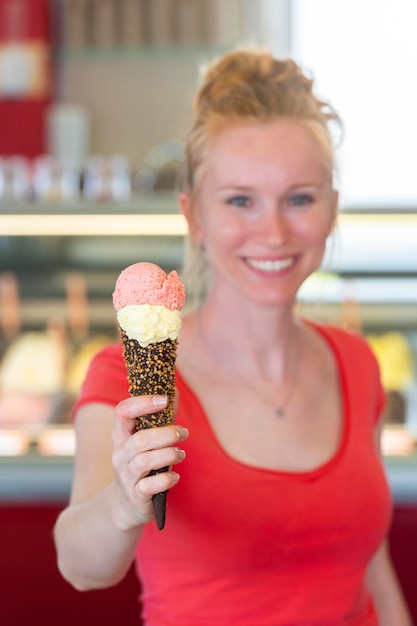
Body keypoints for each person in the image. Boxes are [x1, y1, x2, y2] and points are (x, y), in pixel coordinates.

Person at [53, 47, 413, 626]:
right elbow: (81, 566)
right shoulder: (129, 375)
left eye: (299, 198)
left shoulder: (357, 363)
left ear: (333, 210)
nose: (272, 232)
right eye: (240, 200)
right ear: (194, 216)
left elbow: (374, 571)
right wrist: (124, 501)